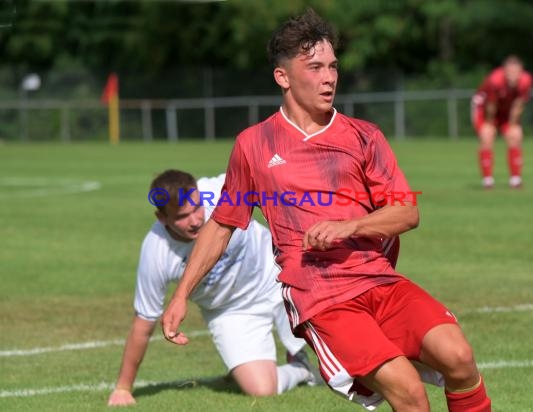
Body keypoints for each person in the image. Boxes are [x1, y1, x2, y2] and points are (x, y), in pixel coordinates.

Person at [162, 9, 491, 412]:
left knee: (459, 358)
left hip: (378, 280)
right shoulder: (254, 145)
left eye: (333, 66)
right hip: (322, 297)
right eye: (315, 67)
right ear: (283, 77)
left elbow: (407, 213)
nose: (329, 77)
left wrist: (349, 226)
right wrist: (181, 296)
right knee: (409, 393)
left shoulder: (363, 136)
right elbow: (222, 224)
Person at [107, 170, 320, 406]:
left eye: (197, 207)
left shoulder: (219, 191)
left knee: (343, 346)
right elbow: (143, 324)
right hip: (229, 311)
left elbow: (272, 174)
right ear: (162, 217)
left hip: (276, 274)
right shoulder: (155, 251)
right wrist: (123, 388)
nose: (196, 220)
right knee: (262, 389)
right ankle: (301, 369)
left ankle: (299, 348)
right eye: (182, 216)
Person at [472, 55, 533, 189]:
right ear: (504, 71)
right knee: (487, 136)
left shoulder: (526, 81)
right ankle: (487, 180)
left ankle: (515, 179)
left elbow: (518, 105)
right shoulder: (495, 80)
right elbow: (490, 105)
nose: (513, 76)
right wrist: (489, 124)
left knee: (515, 135)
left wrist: (512, 125)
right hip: (485, 109)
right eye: (510, 72)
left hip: (506, 110)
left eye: (516, 72)